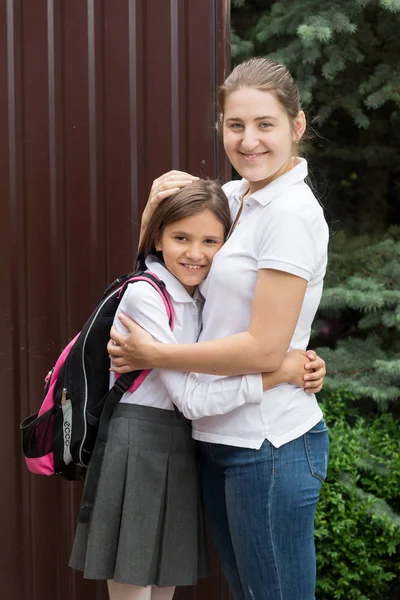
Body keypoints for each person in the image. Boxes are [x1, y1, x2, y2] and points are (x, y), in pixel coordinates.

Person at [108, 58, 330, 600]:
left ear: (296, 126)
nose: (249, 140)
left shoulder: (291, 214)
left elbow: (263, 348)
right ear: (221, 128)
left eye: (265, 124)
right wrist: (152, 208)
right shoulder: (235, 199)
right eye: (236, 125)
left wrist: (154, 354)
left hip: (268, 442)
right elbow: (167, 258)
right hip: (217, 436)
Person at [69, 178, 326, 600]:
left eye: (211, 241)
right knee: (135, 588)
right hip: (140, 440)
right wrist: (278, 374)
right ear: (158, 238)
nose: (195, 252)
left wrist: (303, 361)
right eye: (181, 238)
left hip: (181, 445)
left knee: (165, 583)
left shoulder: (198, 296)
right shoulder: (147, 298)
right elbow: (192, 398)